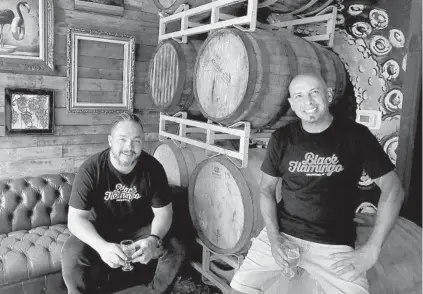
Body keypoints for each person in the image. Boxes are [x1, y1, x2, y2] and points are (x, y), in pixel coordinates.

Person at [229, 74, 405, 294]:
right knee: (237, 291)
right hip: (284, 235)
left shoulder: (356, 136)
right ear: (292, 104)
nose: (308, 102)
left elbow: (393, 189)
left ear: (328, 95)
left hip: (334, 244)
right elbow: (266, 190)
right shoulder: (282, 138)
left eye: (314, 92)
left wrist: (372, 249)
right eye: (299, 96)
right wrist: (274, 240)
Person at [61, 112, 186, 294]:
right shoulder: (90, 169)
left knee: (176, 246)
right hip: (101, 230)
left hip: (141, 230)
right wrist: (102, 247)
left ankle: (155, 291)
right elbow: (75, 219)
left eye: (136, 141)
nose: (129, 147)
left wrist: (153, 239)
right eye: (122, 139)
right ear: (110, 140)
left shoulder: (154, 169)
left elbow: (164, 213)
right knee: (72, 252)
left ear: (143, 142)